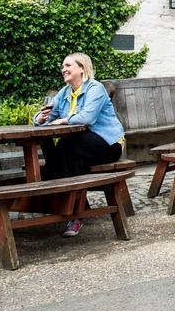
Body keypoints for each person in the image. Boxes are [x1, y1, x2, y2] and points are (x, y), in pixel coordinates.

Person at [33, 52, 125, 236]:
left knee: (69, 145)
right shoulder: (64, 92)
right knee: (49, 143)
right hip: (77, 147)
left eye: (68, 66)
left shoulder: (95, 89)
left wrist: (62, 121)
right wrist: (40, 118)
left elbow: (87, 118)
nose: (63, 69)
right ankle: (79, 209)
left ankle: (72, 208)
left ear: (82, 68)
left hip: (108, 144)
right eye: (63, 66)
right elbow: (47, 117)